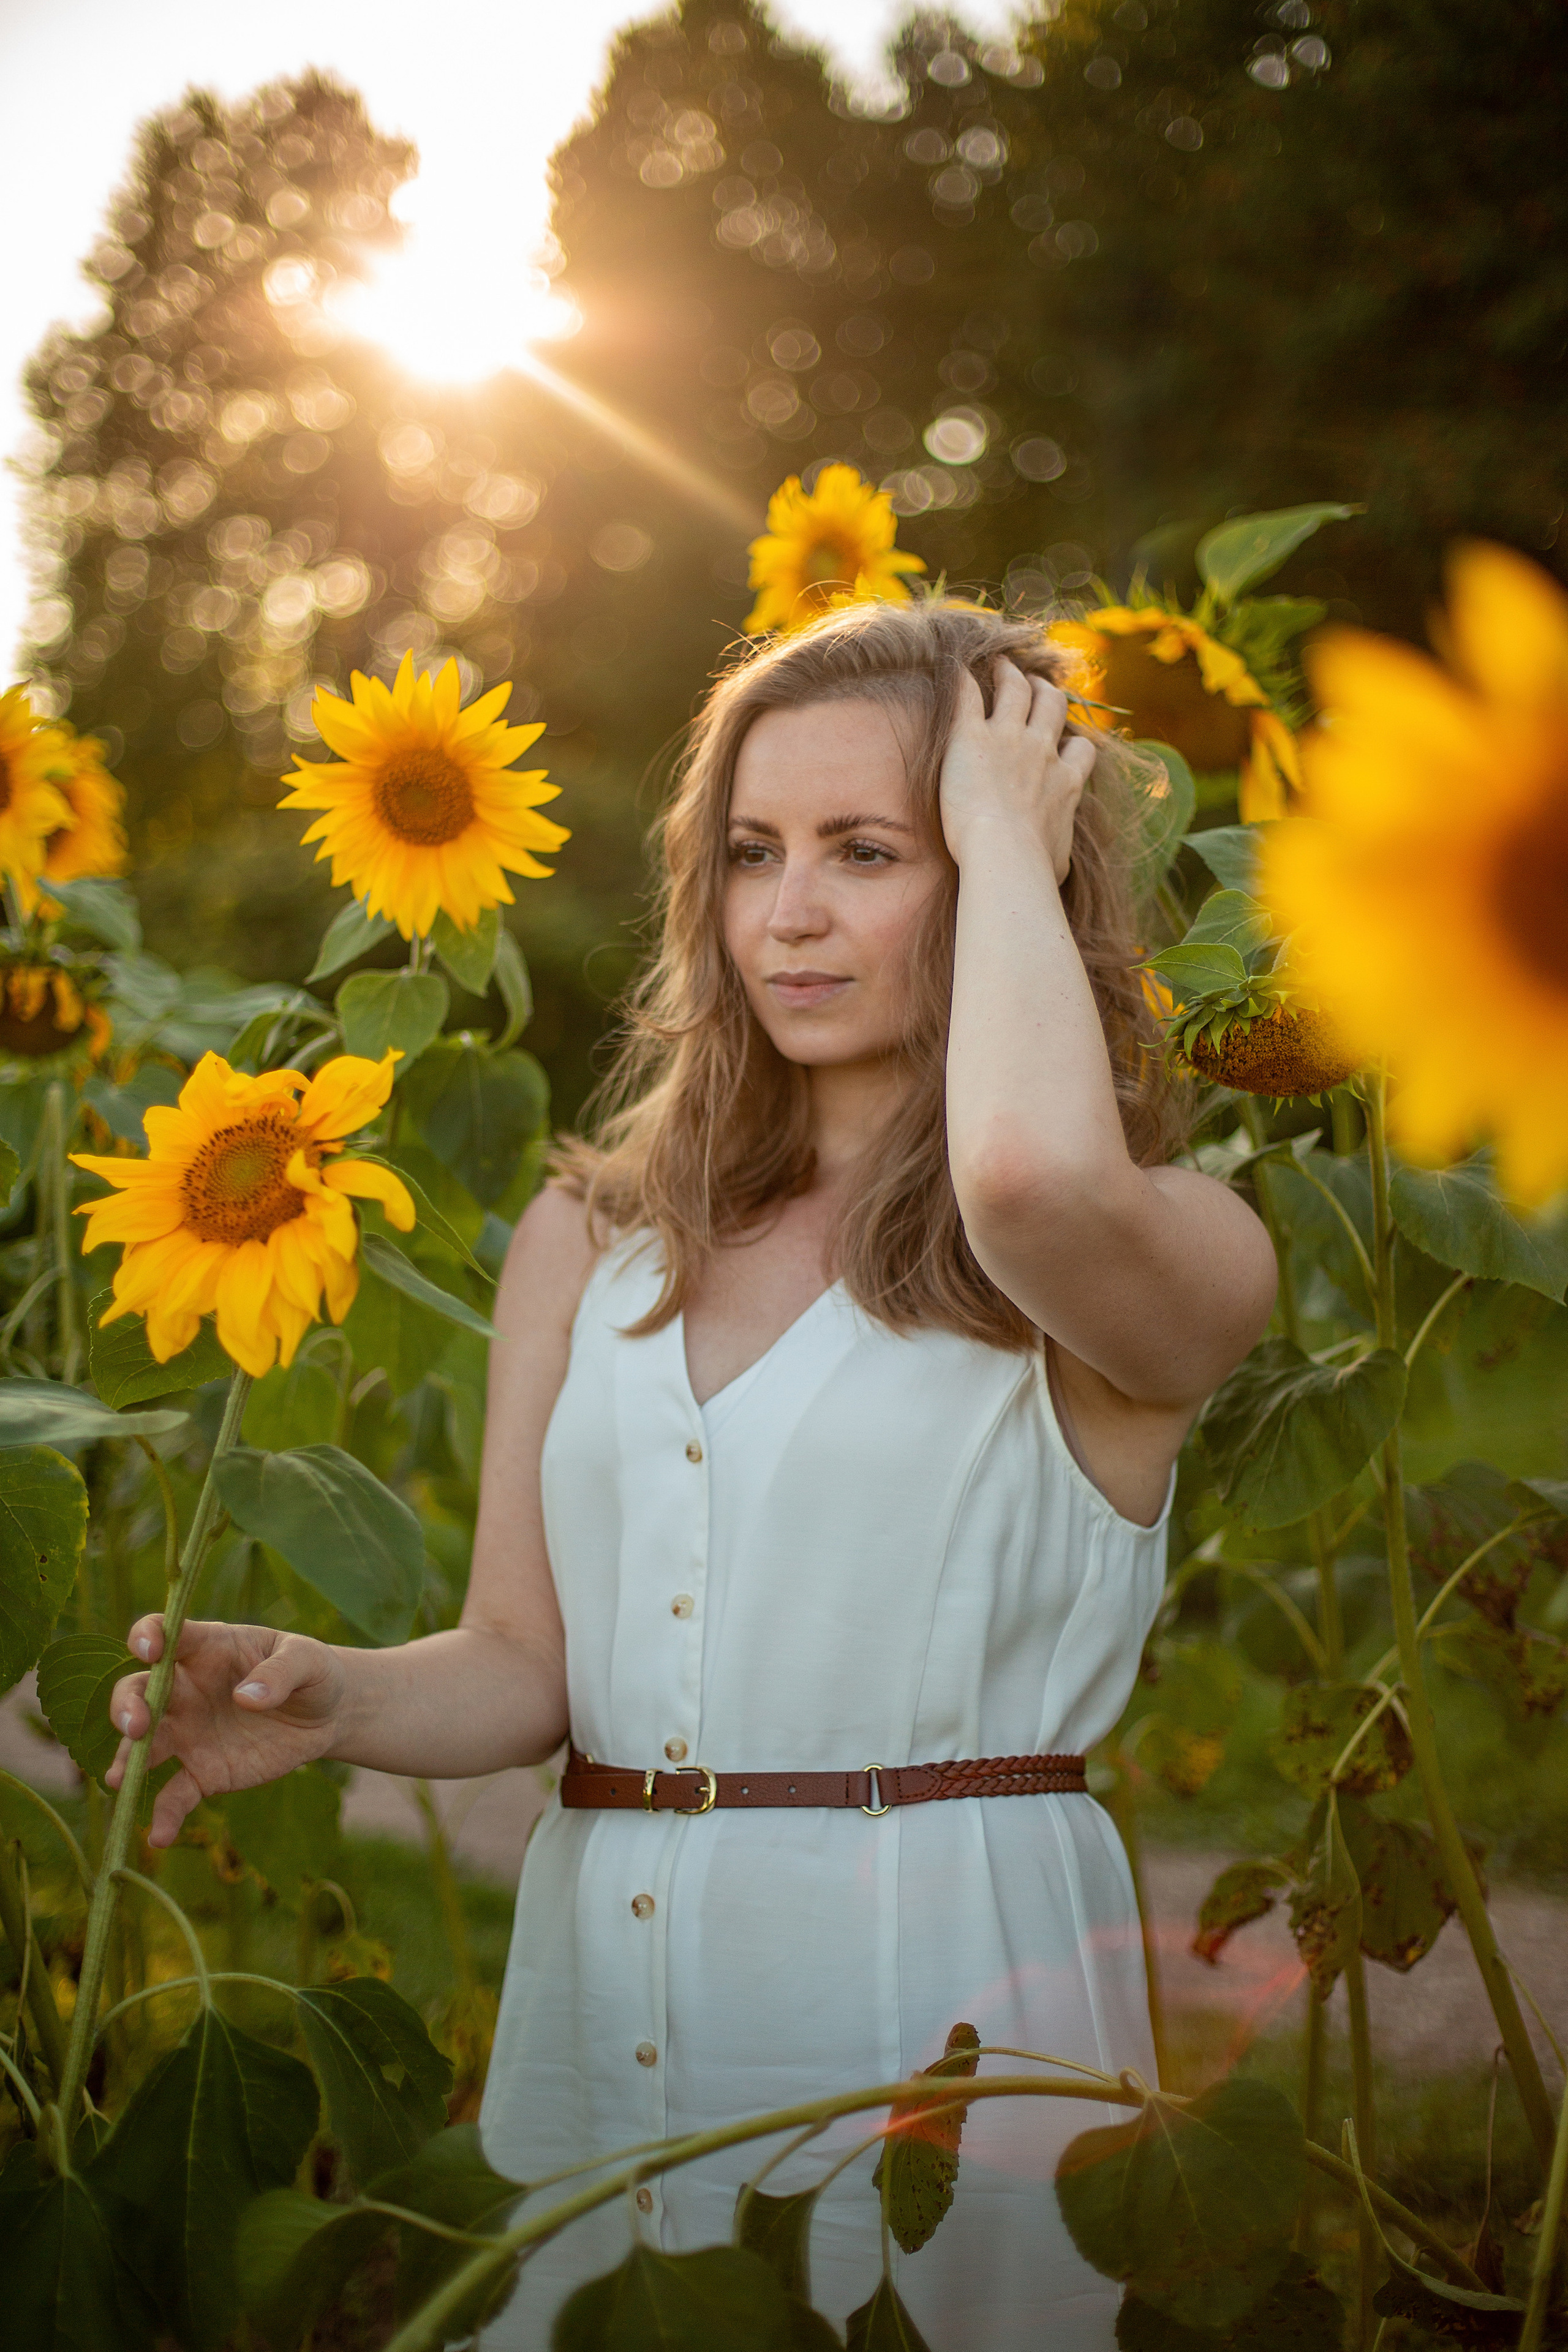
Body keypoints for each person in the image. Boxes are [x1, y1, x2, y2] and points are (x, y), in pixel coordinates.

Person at [109, 600, 1276, 2350]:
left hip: (947, 2014)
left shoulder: (1160, 1252)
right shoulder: (593, 1237)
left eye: (870, 851)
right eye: (750, 853)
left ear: (1005, 864)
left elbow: (1030, 1175)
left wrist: (1013, 833)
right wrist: (330, 1699)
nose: (789, 914)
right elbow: (525, 1660)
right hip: (609, 1999)